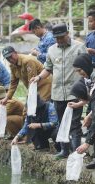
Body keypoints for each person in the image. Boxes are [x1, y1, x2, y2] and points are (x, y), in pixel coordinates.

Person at [30, 23, 86, 159]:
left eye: (61, 37)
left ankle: (76, 153)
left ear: (67, 34)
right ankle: (64, 150)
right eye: (57, 38)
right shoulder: (51, 50)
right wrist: (38, 77)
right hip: (58, 93)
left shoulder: (79, 47)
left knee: (75, 124)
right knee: (61, 123)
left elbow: (87, 67)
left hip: (75, 91)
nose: (59, 40)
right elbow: (48, 68)